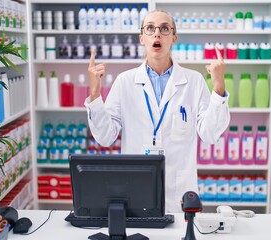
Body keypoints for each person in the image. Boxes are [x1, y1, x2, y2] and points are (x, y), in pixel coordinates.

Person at [85, 10, 230, 213]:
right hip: (135, 187)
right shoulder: (125, 81)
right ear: (142, 37)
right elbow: (105, 137)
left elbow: (210, 134)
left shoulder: (194, 80)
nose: (157, 34)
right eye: (150, 28)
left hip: (179, 192)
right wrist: (94, 93)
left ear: (174, 37)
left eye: (164, 28)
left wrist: (219, 88)